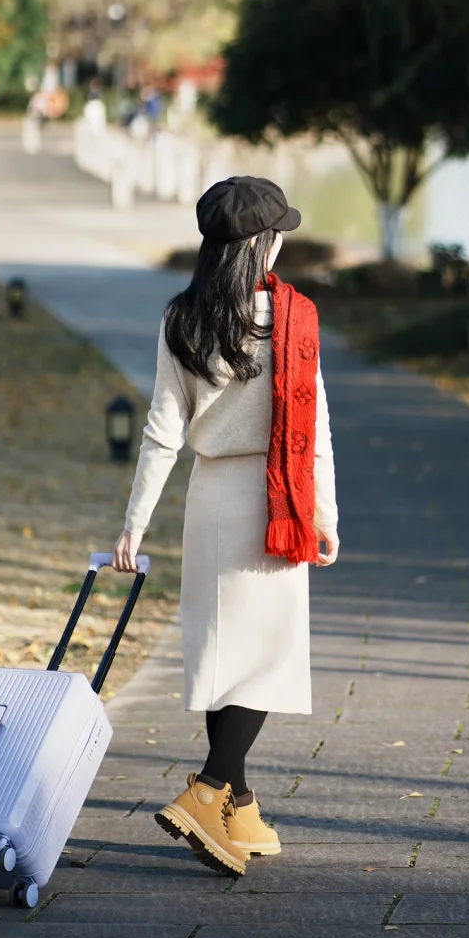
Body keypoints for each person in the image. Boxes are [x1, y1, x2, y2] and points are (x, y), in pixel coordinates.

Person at [112, 176, 340, 875]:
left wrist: (134, 526)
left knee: (225, 660)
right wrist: (325, 513)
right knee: (261, 662)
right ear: (262, 243)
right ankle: (207, 791)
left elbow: (160, 432)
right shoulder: (292, 318)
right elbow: (318, 426)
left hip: (210, 499)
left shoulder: (182, 316)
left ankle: (237, 806)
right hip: (275, 496)